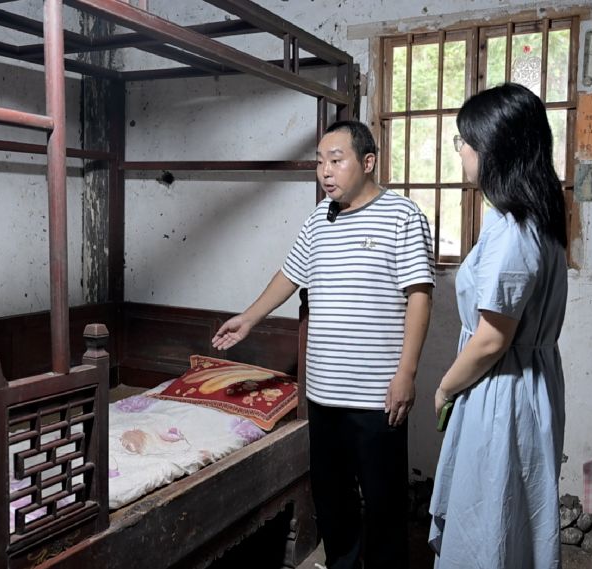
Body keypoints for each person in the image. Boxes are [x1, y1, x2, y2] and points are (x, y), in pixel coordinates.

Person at [212, 120, 435, 568]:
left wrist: (406, 374)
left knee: (384, 503)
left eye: (336, 160)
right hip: (324, 392)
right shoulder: (320, 217)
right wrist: (250, 318)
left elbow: (420, 295)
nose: (325, 172)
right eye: (319, 162)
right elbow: (290, 274)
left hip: (377, 395)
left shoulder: (403, 215)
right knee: (333, 501)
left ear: (368, 162)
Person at [428, 82, 569, 568]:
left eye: (464, 141)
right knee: (511, 518)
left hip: (503, 388)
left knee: (488, 521)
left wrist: (445, 387)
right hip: (529, 383)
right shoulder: (538, 219)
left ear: (492, 148)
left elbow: (491, 340)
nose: (461, 151)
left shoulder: (513, 229)